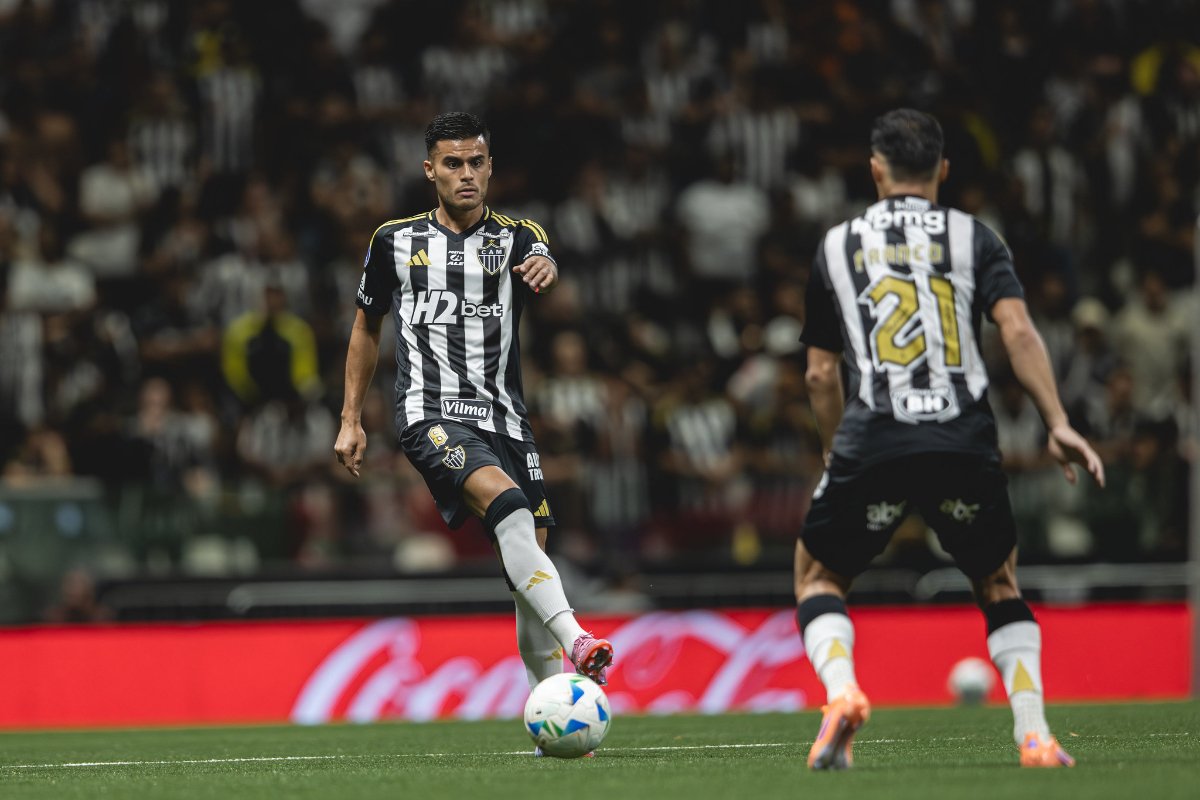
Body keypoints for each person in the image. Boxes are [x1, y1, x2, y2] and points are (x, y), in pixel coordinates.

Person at [794, 109, 1105, 770]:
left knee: (818, 575)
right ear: (942, 169)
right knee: (997, 582)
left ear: (875, 170)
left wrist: (834, 451)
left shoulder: (836, 244)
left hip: (872, 435)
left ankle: (843, 693)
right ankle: (1034, 736)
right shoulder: (975, 236)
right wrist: (1057, 422)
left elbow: (821, 371)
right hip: (962, 437)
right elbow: (1018, 331)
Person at [333, 113, 614, 709]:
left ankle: (550, 716)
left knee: (527, 574)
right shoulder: (393, 241)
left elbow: (543, 254)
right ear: (429, 169)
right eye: (453, 163)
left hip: (508, 421)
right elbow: (365, 327)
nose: (466, 175)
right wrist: (350, 418)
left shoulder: (516, 236)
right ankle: (579, 640)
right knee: (508, 505)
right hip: (429, 412)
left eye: (477, 163)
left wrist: (549, 265)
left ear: (491, 167)